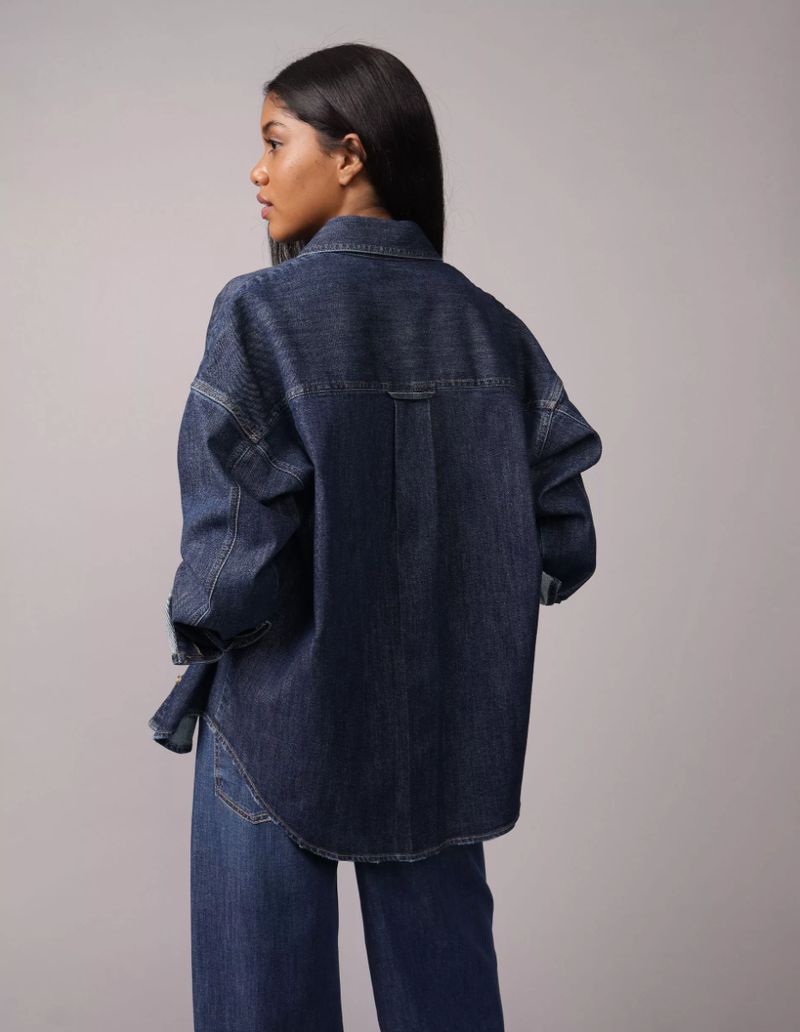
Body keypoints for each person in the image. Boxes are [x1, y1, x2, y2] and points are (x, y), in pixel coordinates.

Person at [148, 42, 603, 1032]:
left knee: (263, 1009)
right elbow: (563, 538)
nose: (257, 171)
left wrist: (200, 637)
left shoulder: (261, 314)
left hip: (274, 720)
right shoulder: (492, 329)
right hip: (441, 730)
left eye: (276, 142)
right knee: (447, 1001)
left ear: (349, 155)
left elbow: (229, 562)